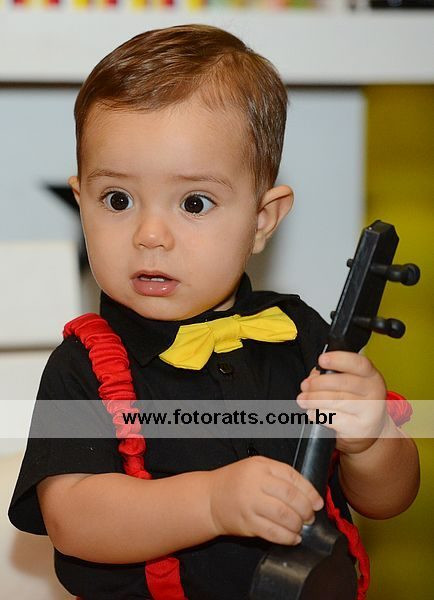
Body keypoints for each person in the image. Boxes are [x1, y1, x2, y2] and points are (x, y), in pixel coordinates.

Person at [9, 24, 419, 600]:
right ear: (81, 204)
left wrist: (371, 440)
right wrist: (210, 503)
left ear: (261, 220)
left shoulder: (302, 336)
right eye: (118, 200)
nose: (150, 234)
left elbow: (389, 499)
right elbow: (73, 519)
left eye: (194, 203)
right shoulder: (84, 367)